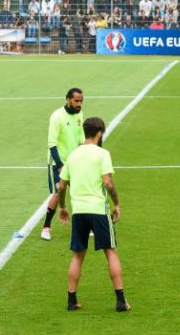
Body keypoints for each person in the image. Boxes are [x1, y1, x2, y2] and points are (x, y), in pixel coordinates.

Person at [57, 117, 131, 312]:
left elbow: (61, 184)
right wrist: (117, 203)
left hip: (79, 211)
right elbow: (107, 182)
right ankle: (121, 300)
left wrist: (62, 206)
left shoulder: (73, 155)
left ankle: (71, 300)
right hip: (98, 209)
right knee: (111, 252)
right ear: (100, 133)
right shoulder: (102, 154)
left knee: (77, 256)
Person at [42, 88, 85, 241]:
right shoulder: (57, 116)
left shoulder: (79, 114)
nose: (79, 104)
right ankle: (46, 227)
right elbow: (52, 143)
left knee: (78, 192)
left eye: (81, 101)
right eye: (76, 101)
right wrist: (60, 164)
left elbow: (81, 140)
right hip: (57, 162)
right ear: (68, 99)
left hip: (73, 162)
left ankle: (84, 227)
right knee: (58, 193)